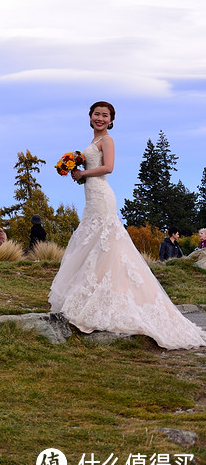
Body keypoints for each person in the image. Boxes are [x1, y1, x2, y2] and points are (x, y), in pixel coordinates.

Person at [49, 101, 206, 349]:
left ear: (111, 120)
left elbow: (108, 168)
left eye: (105, 115)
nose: (100, 118)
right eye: (97, 114)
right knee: (92, 245)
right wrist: (75, 169)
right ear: (90, 117)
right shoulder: (92, 142)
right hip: (92, 198)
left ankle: (107, 300)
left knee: (107, 244)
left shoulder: (107, 140)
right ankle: (92, 295)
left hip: (102, 196)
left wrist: (83, 174)